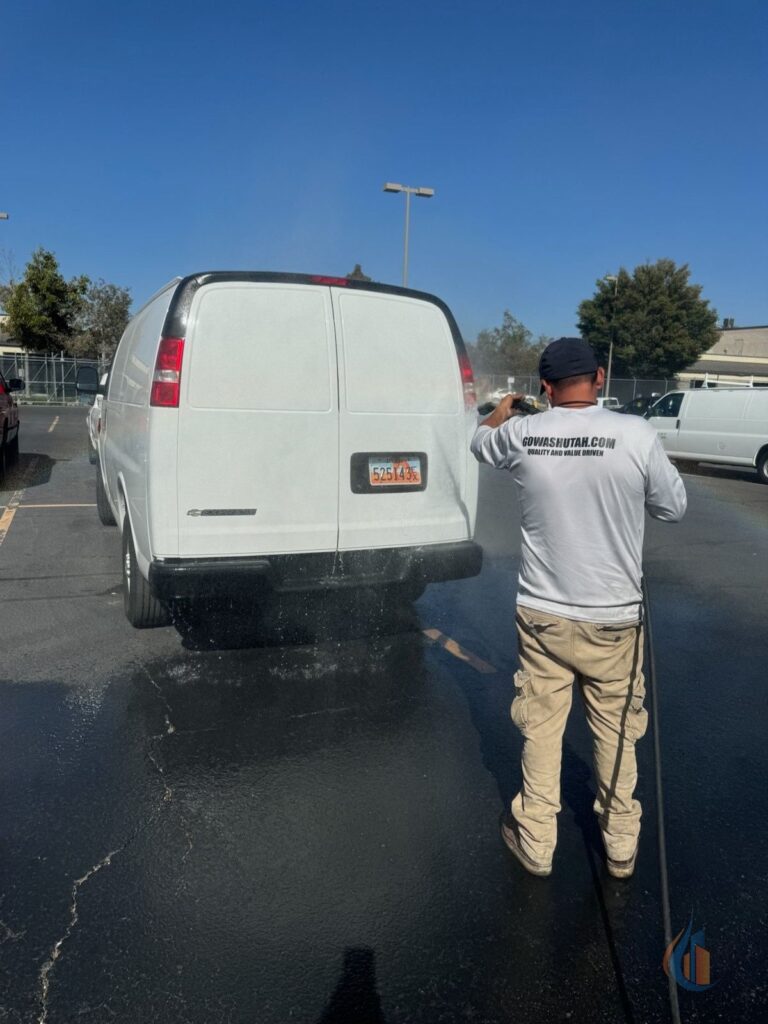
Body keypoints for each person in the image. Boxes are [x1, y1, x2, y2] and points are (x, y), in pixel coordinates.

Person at [471, 337, 687, 878]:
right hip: (615, 618)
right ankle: (619, 845)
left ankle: (536, 840)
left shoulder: (522, 432)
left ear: (544, 387)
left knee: (542, 727)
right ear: (599, 376)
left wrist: (503, 410)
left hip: (543, 614)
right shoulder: (635, 433)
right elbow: (673, 506)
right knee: (616, 730)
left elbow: (479, 443)